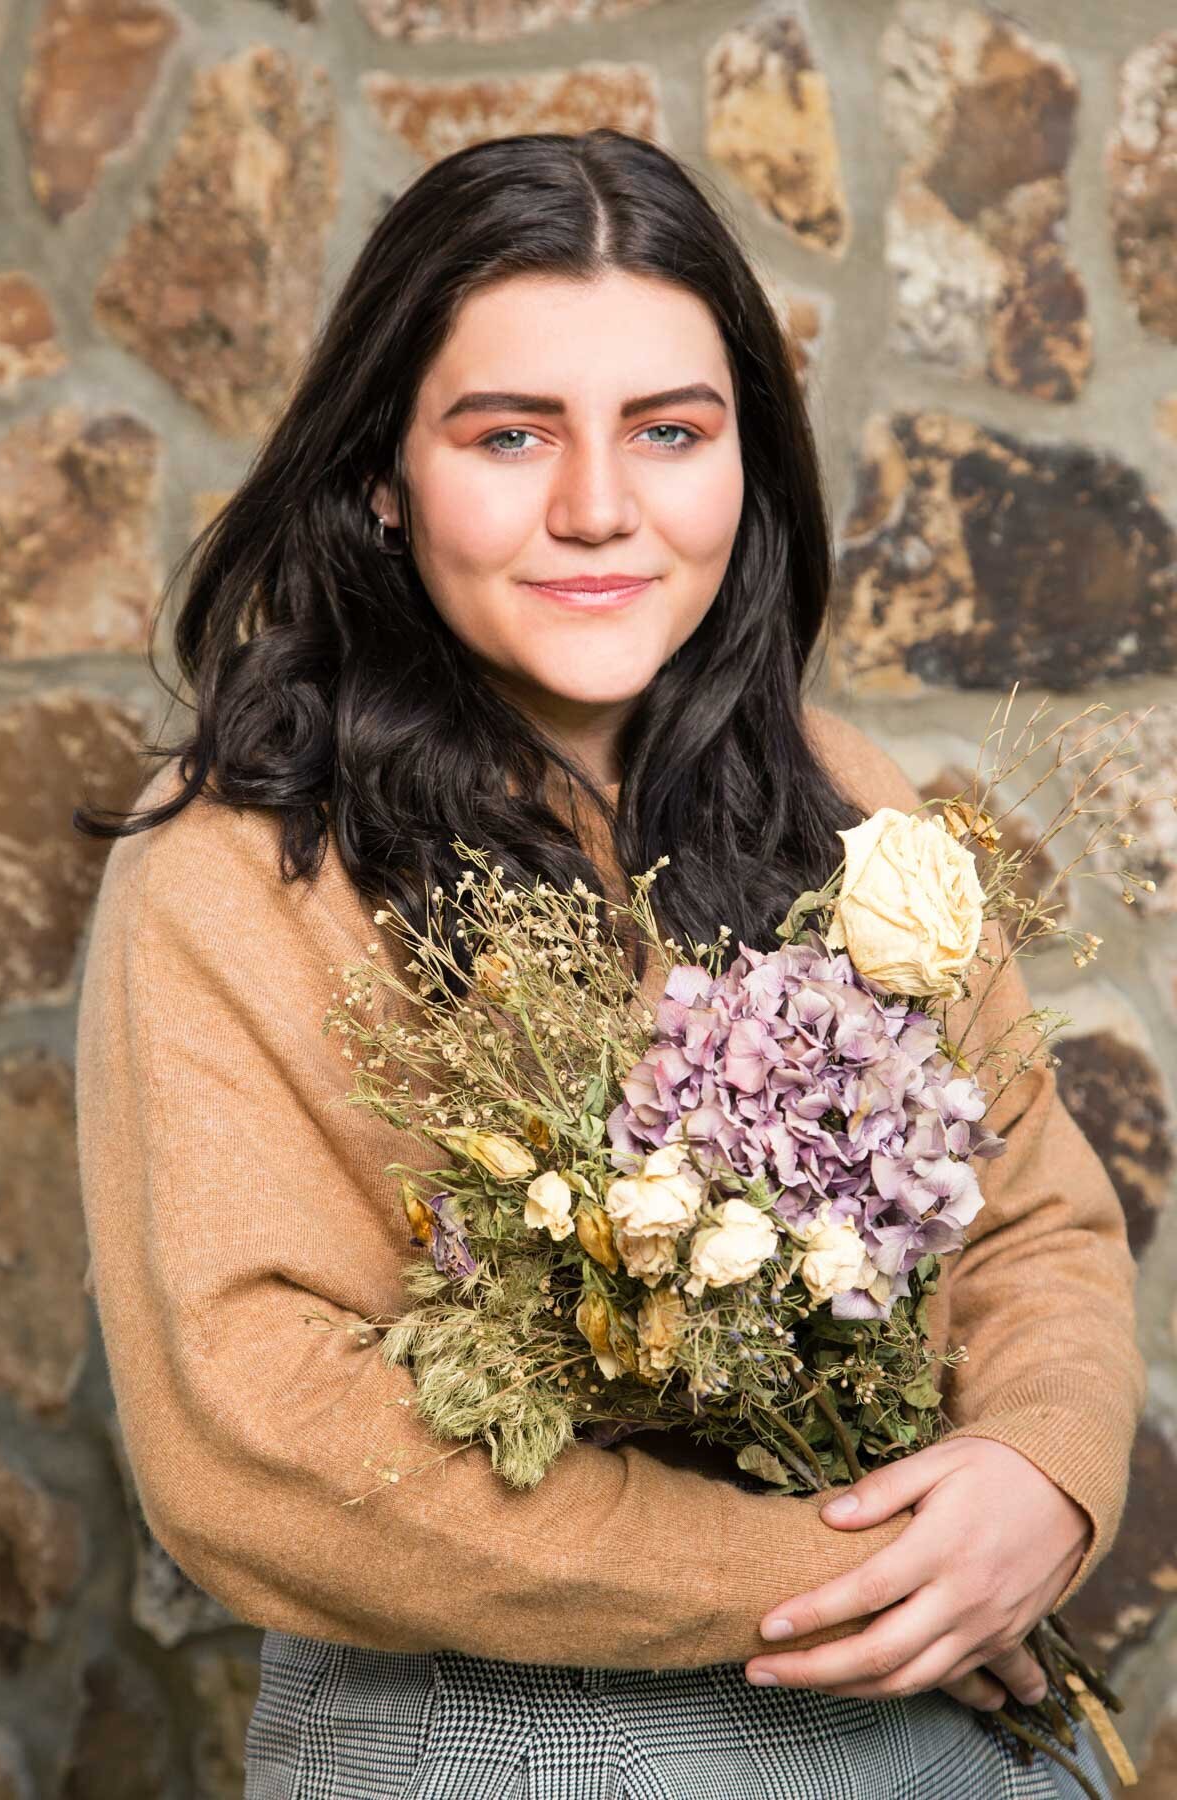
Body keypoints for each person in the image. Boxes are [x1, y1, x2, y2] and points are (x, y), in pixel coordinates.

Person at [73, 129, 1139, 1799]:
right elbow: (253, 1441)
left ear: (747, 468)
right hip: (502, 1741)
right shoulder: (239, 858)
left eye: (669, 433)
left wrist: (1039, 1473)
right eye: (509, 435)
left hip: (942, 1729)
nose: (596, 508)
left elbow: (1038, 1220)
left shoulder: (849, 794)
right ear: (381, 475)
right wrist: (846, 1573)